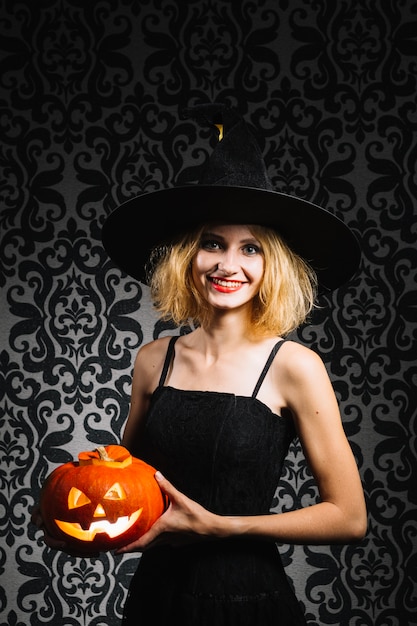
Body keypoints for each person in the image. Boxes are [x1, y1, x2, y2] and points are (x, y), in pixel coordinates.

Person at [36, 104, 367, 625]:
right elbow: (131, 485)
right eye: (212, 243)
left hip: (247, 602)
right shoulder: (153, 360)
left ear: (271, 266)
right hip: (155, 602)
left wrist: (224, 526)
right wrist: (72, 503)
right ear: (188, 256)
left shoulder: (294, 366)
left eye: (251, 249)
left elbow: (348, 518)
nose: (227, 264)